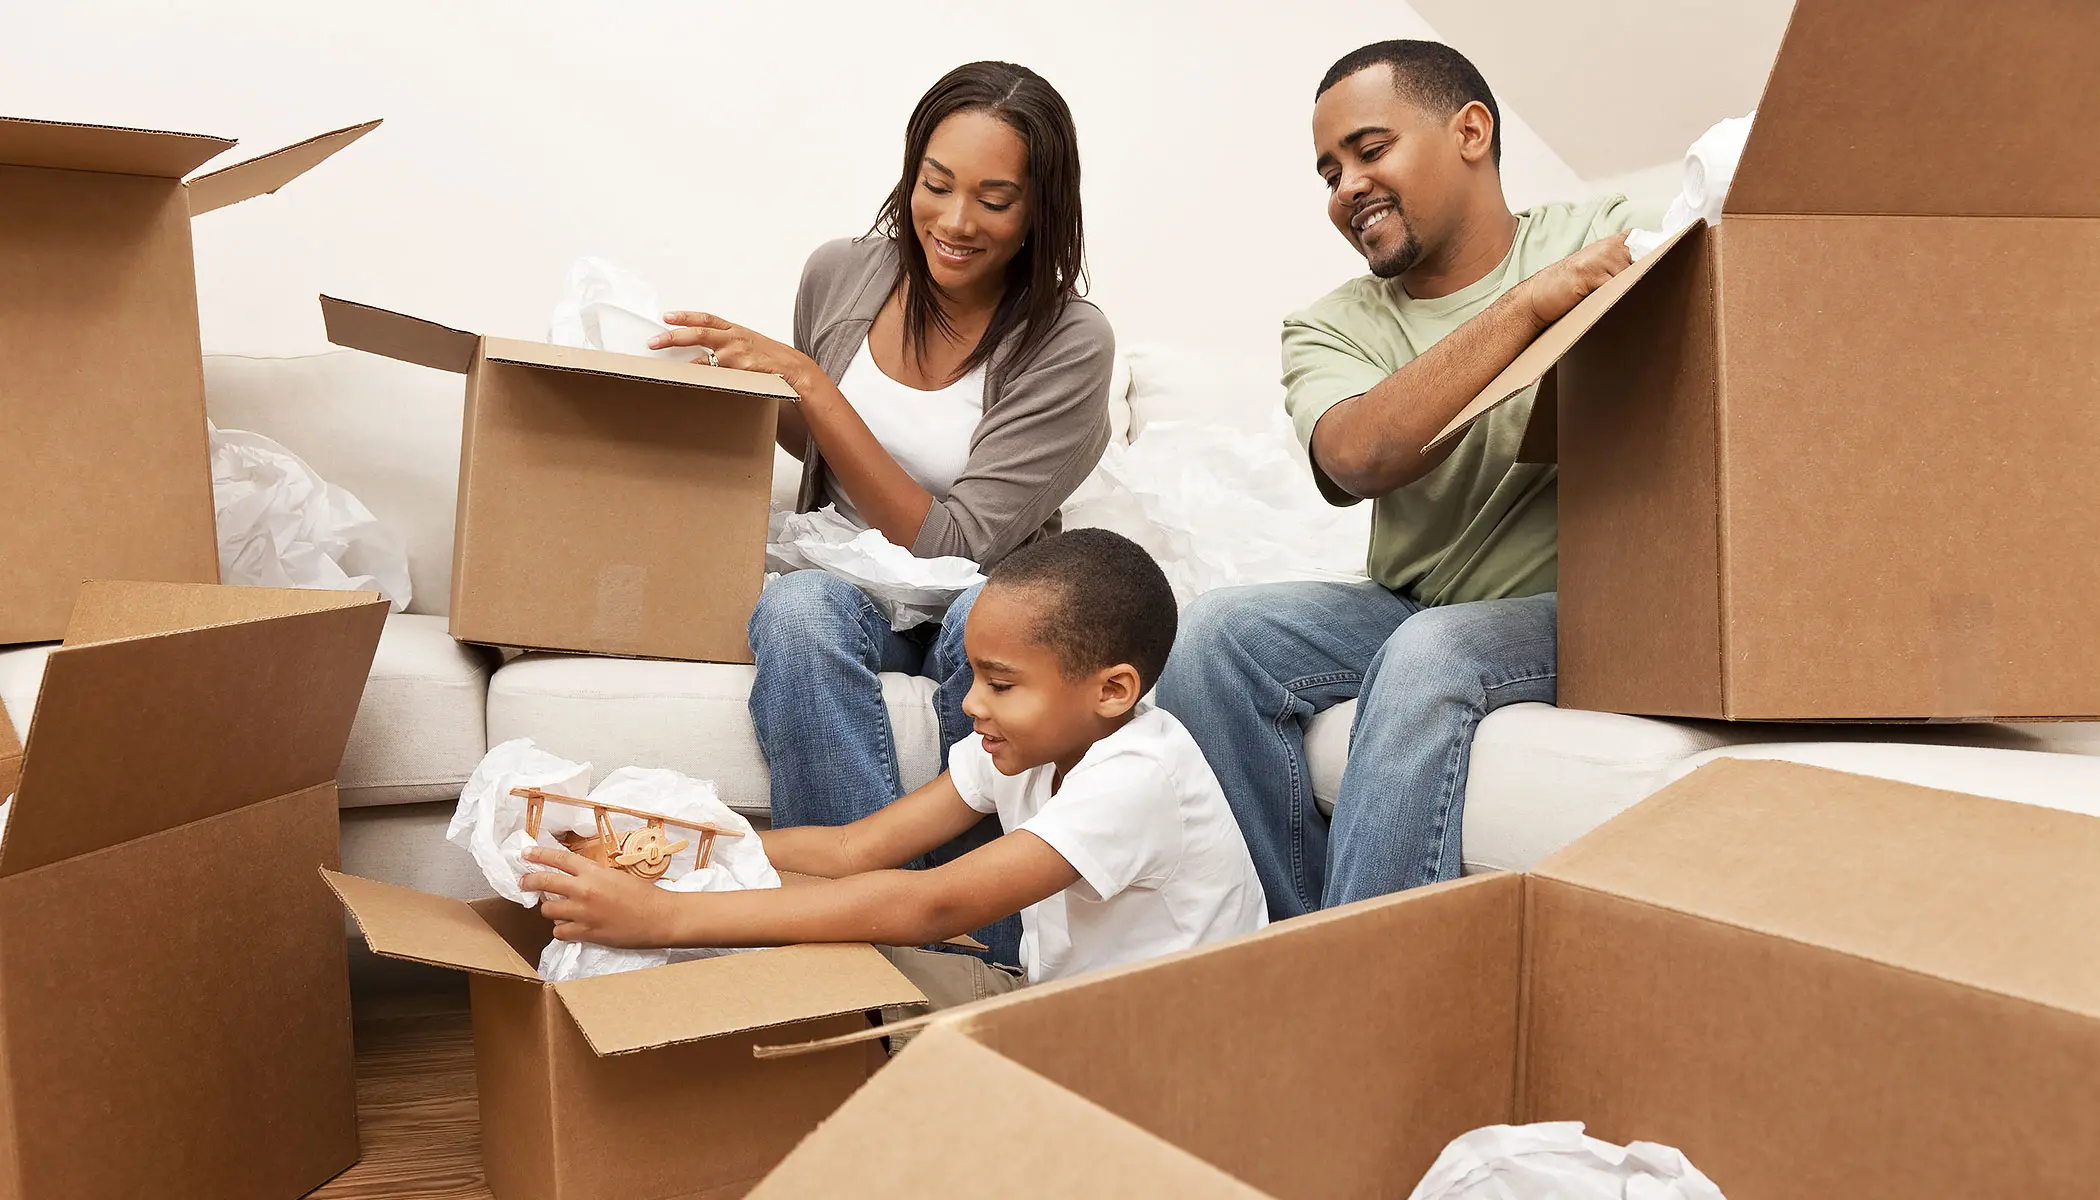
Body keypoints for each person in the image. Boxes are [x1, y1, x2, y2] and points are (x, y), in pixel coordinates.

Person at [1156, 40, 1660, 918]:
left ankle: (1361, 994)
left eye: (1369, 149)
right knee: (1213, 636)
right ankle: (1297, 950)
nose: (1345, 186)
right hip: (1412, 598)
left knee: (1430, 655)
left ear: (1470, 131)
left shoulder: (1596, 234)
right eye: (1327, 171)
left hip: (1577, 604)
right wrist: (1527, 306)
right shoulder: (1329, 327)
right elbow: (1358, 457)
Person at [644, 62, 1115, 967]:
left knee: (991, 626)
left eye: (995, 199)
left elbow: (956, 542)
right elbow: (815, 446)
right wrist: (735, 391)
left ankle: (984, 955)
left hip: (982, 591)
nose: (954, 221)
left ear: (1042, 211)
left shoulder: (1070, 340)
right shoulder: (842, 273)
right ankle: (855, 950)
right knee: (795, 610)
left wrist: (809, 384)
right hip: (845, 574)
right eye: (935, 186)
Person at [519, 529, 1267, 1009]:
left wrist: (669, 917)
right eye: (972, 675)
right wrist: (678, 844)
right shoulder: (1024, 745)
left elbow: (935, 905)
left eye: (1001, 684)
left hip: (1155, 1058)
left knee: (801, 984)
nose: (971, 702)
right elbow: (853, 850)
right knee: (786, 964)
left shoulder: (1139, 777)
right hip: (1054, 1003)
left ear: (1112, 691)